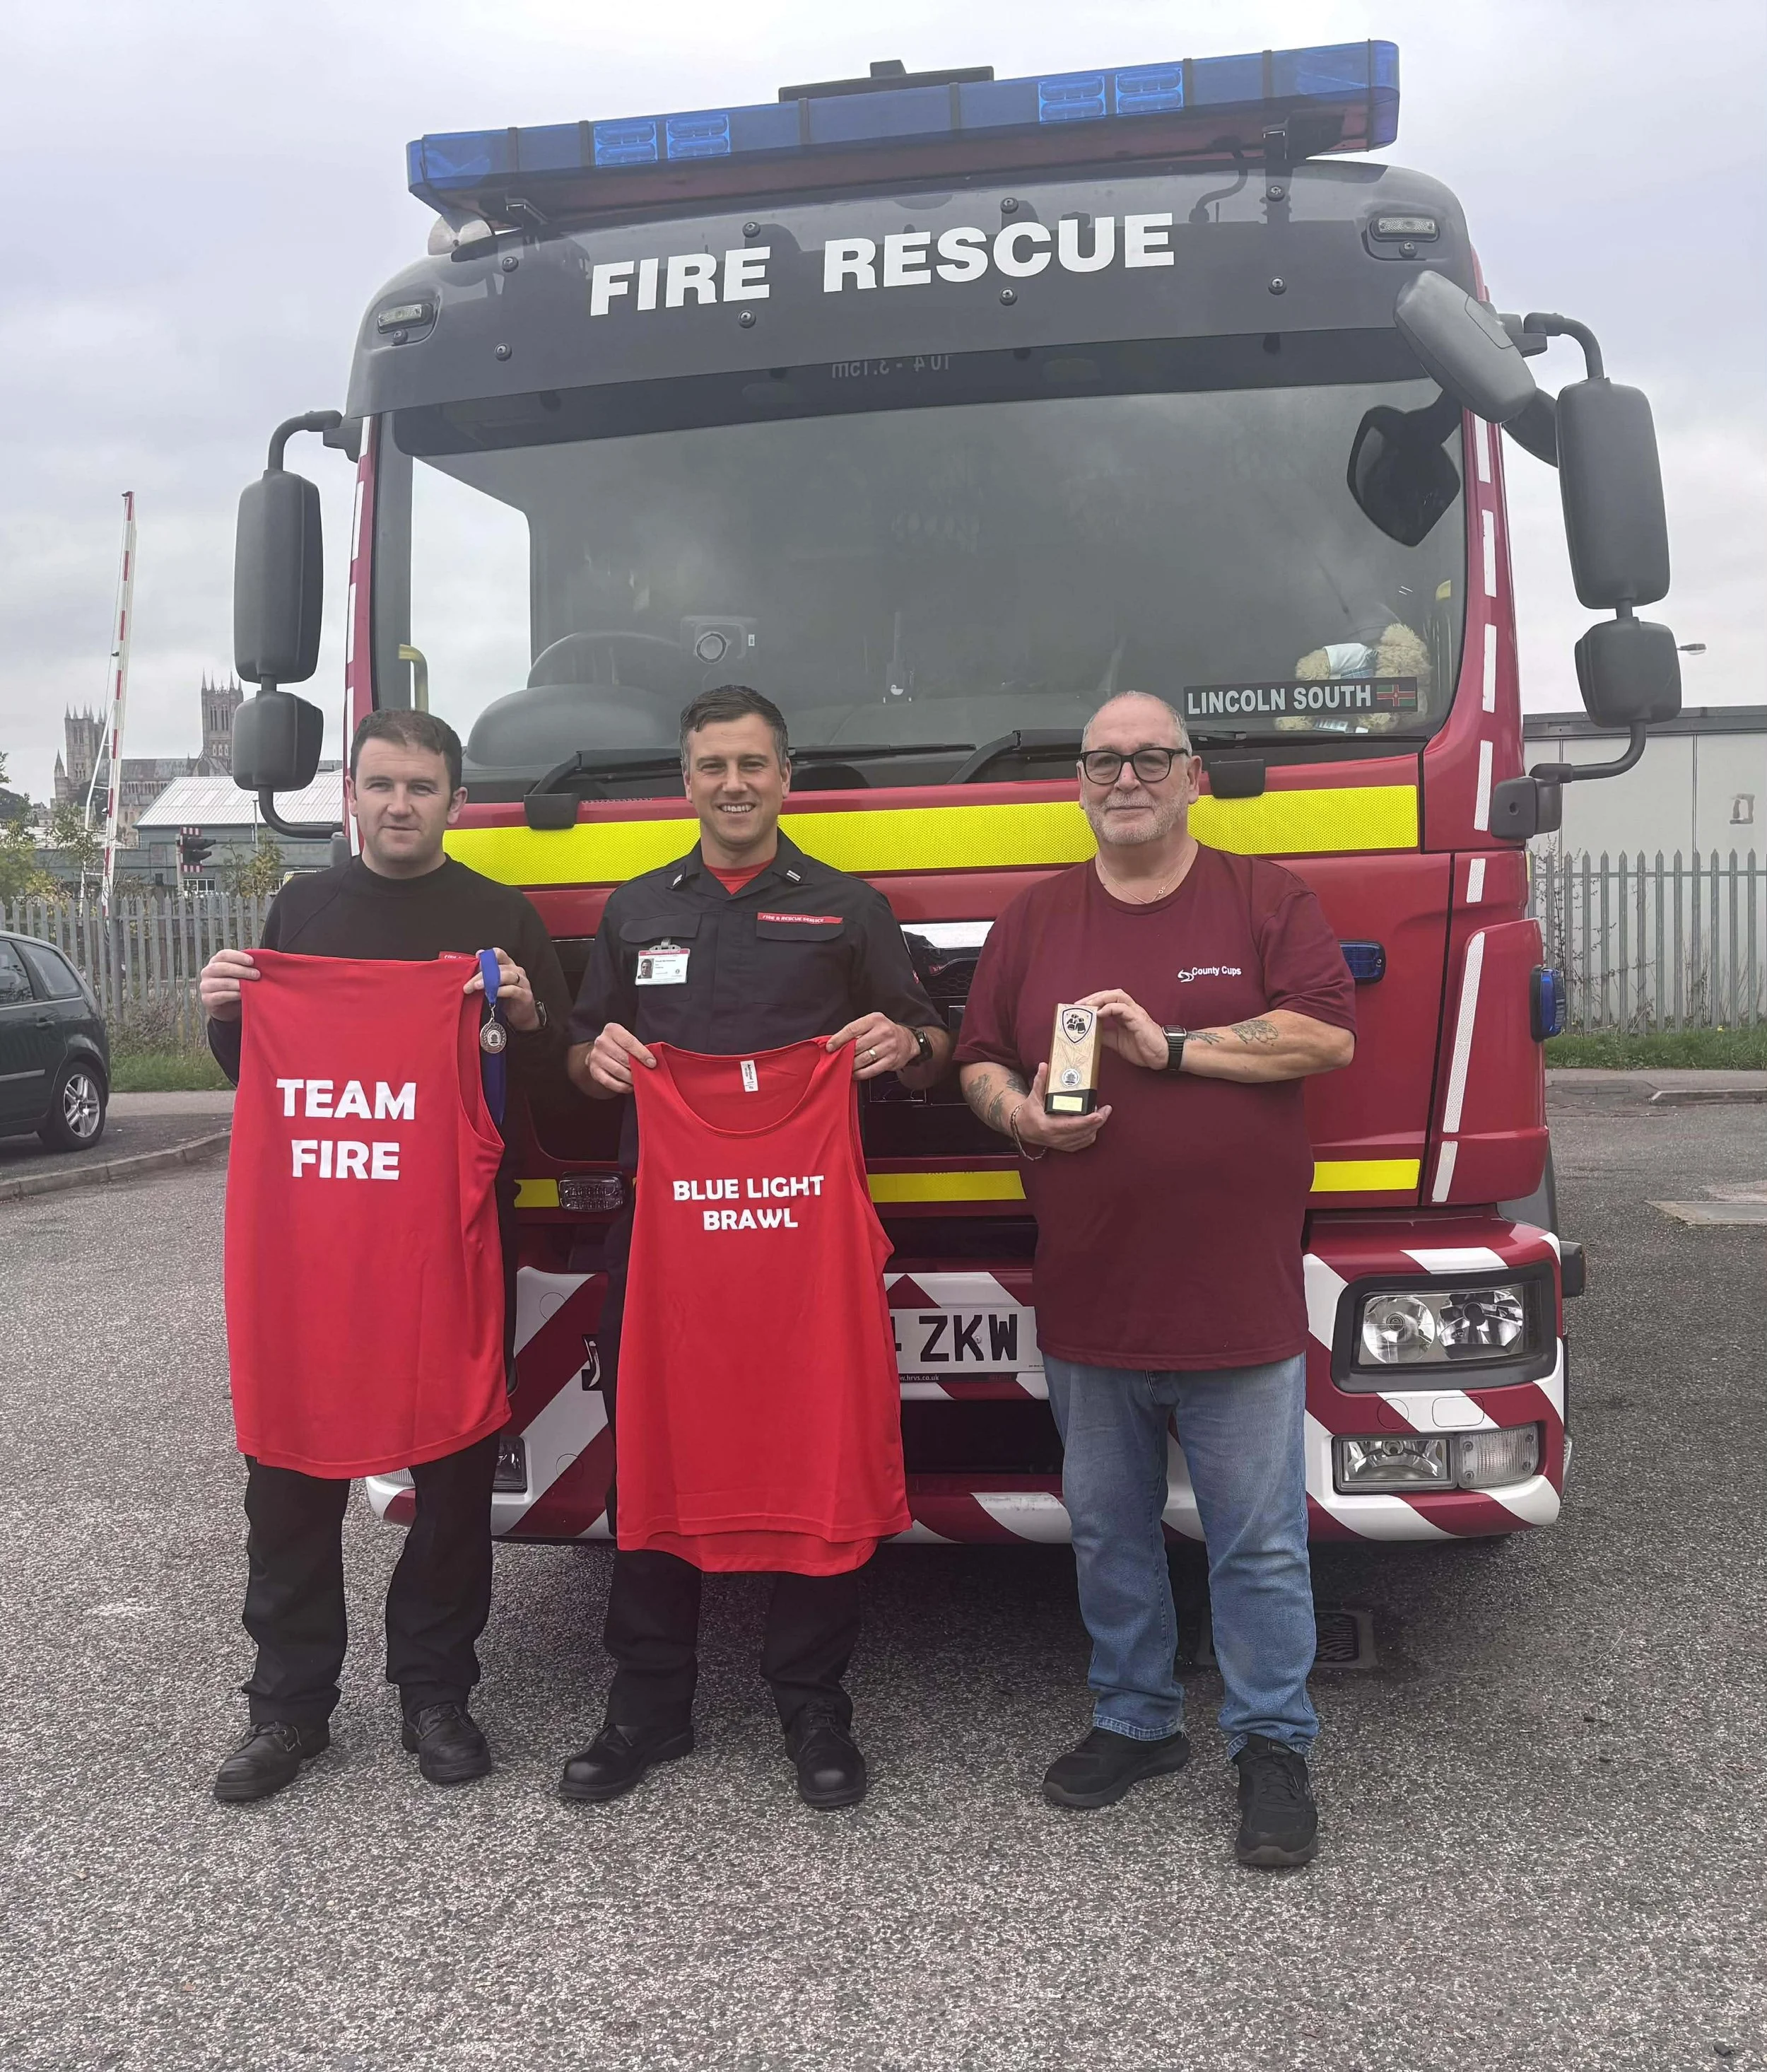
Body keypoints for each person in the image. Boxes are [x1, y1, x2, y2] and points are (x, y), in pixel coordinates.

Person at [956, 691, 1356, 1868]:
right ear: (1078, 783)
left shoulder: (1263, 897)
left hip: (1237, 1298)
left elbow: (1327, 1035)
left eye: (1149, 758)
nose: (1124, 777)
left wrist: (1173, 1047)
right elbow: (976, 1056)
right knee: (1109, 1530)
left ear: (1194, 778)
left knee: (1260, 1541)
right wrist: (1020, 1113)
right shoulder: (1033, 920)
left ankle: (1271, 1743)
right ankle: (1135, 1719)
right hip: (1090, 1291)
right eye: (1101, 760)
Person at [560, 684, 951, 1809]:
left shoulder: (845, 908)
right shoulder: (634, 912)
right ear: (684, 783)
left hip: (800, 1246)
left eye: (754, 763)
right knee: (653, 1448)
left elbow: (932, 1039)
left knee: (810, 1445)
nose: (733, 783)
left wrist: (907, 1041)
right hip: (667, 1241)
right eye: (712, 765)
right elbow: (587, 1048)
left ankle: (813, 1706)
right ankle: (646, 1707)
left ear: (787, 777)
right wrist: (593, 1064)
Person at [199, 709, 571, 1802]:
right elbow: (260, 1074)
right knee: (291, 1477)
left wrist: (526, 1017)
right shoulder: (302, 911)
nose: (398, 804)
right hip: (313, 1247)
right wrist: (224, 1010)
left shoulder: (499, 918)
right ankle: (288, 1708)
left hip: (451, 1242)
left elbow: (542, 1088)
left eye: (420, 786)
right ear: (350, 796)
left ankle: (436, 1694)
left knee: (455, 1476)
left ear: (456, 801)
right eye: (379, 785)